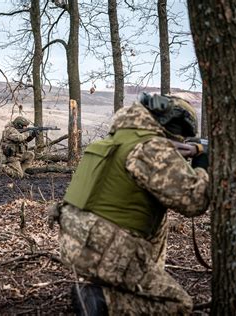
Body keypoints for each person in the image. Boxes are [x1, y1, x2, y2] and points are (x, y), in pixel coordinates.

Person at [50, 93, 210, 315]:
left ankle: (110, 289)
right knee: (177, 305)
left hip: (76, 244)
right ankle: (102, 302)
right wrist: (203, 164)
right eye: (181, 134)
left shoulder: (117, 140)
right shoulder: (151, 149)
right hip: (105, 251)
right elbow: (195, 201)